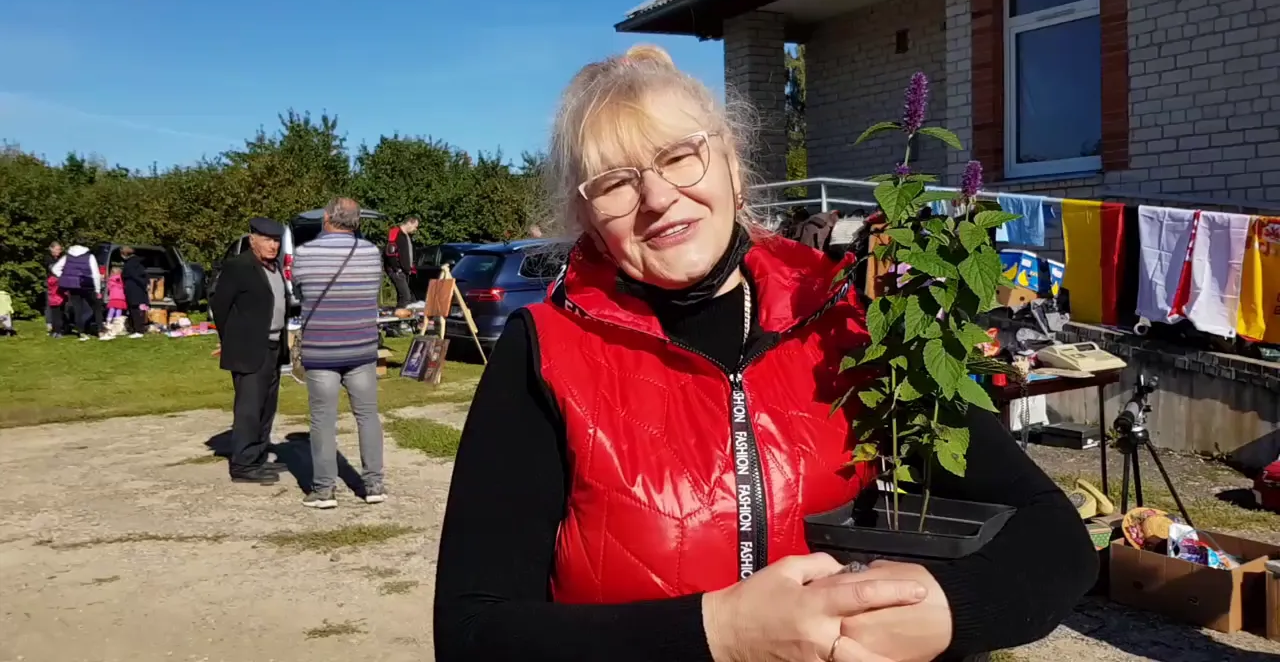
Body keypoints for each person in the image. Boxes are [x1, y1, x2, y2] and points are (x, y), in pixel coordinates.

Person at [432, 44, 1097, 662]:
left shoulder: (850, 327)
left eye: (679, 156)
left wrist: (947, 608)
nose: (658, 198)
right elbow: (473, 633)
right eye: (615, 183)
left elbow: (1056, 544)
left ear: (733, 164)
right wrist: (719, 631)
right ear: (588, 221)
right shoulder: (546, 351)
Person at [292, 197, 386, 509]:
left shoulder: (305, 254)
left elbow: (299, 293)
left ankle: (324, 490)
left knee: (322, 420)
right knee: (368, 416)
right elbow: (372, 292)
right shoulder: (371, 252)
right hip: (361, 346)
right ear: (356, 221)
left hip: (321, 349)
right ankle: (373, 484)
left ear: (327, 218)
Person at [210, 218, 289, 485]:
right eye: (267, 240)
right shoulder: (239, 266)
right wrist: (229, 339)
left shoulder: (275, 268)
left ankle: (257, 457)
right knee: (249, 408)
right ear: (252, 239)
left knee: (267, 406)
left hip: (274, 347)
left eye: (277, 240)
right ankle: (242, 464)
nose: (273, 245)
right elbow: (220, 306)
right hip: (248, 348)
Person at [52, 242, 110, 341]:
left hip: (73, 286)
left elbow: (55, 269)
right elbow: (95, 274)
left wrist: (65, 277)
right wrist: (97, 289)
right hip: (87, 285)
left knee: (78, 309)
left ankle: (81, 332)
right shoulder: (89, 257)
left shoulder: (67, 256)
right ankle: (100, 331)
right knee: (97, 307)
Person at [384, 216, 419, 308]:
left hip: (405, 270)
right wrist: (396, 268)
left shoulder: (407, 236)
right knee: (406, 296)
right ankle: (400, 317)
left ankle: (402, 316)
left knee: (409, 297)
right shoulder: (396, 232)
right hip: (396, 270)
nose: (416, 229)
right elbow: (390, 252)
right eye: (415, 226)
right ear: (409, 223)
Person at [121, 247, 150, 338]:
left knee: (135, 310)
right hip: (141, 289)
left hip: (133, 289)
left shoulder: (129, 264)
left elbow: (130, 276)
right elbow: (144, 276)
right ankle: (138, 329)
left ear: (125, 254)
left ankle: (138, 330)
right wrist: (146, 284)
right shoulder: (139, 263)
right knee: (141, 308)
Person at [44, 242, 66, 336]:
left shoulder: (61, 258)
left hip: (61, 283)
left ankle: (60, 327)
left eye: (60, 249)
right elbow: (52, 269)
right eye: (57, 249)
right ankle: (52, 325)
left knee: (61, 306)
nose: (59, 251)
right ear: (51, 249)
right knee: (52, 305)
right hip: (52, 283)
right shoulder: (48, 258)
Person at [106, 265, 127, 331]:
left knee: (112, 309)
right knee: (119, 310)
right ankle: (117, 321)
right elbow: (124, 286)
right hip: (121, 298)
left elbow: (109, 288)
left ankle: (108, 321)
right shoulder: (122, 279)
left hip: (113, 297)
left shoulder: (110, 280)